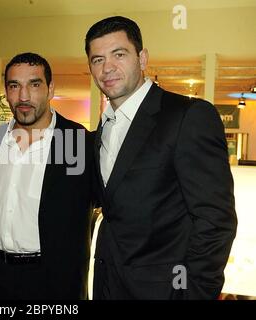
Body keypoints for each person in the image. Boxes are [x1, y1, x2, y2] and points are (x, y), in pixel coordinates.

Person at [85, 16, 237, 299]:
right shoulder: (103, 129)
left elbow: (216, 220)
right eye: (97, 59)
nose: (107, 68)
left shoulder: (187, 116)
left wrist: (193, 293)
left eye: (119, 54)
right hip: (109, 286)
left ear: (142, 58)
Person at [0, 52, 94, 300]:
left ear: (50, 88)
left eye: (34, 84)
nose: (23, 96)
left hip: (52, 280)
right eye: (14, 86)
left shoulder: (78, 142)